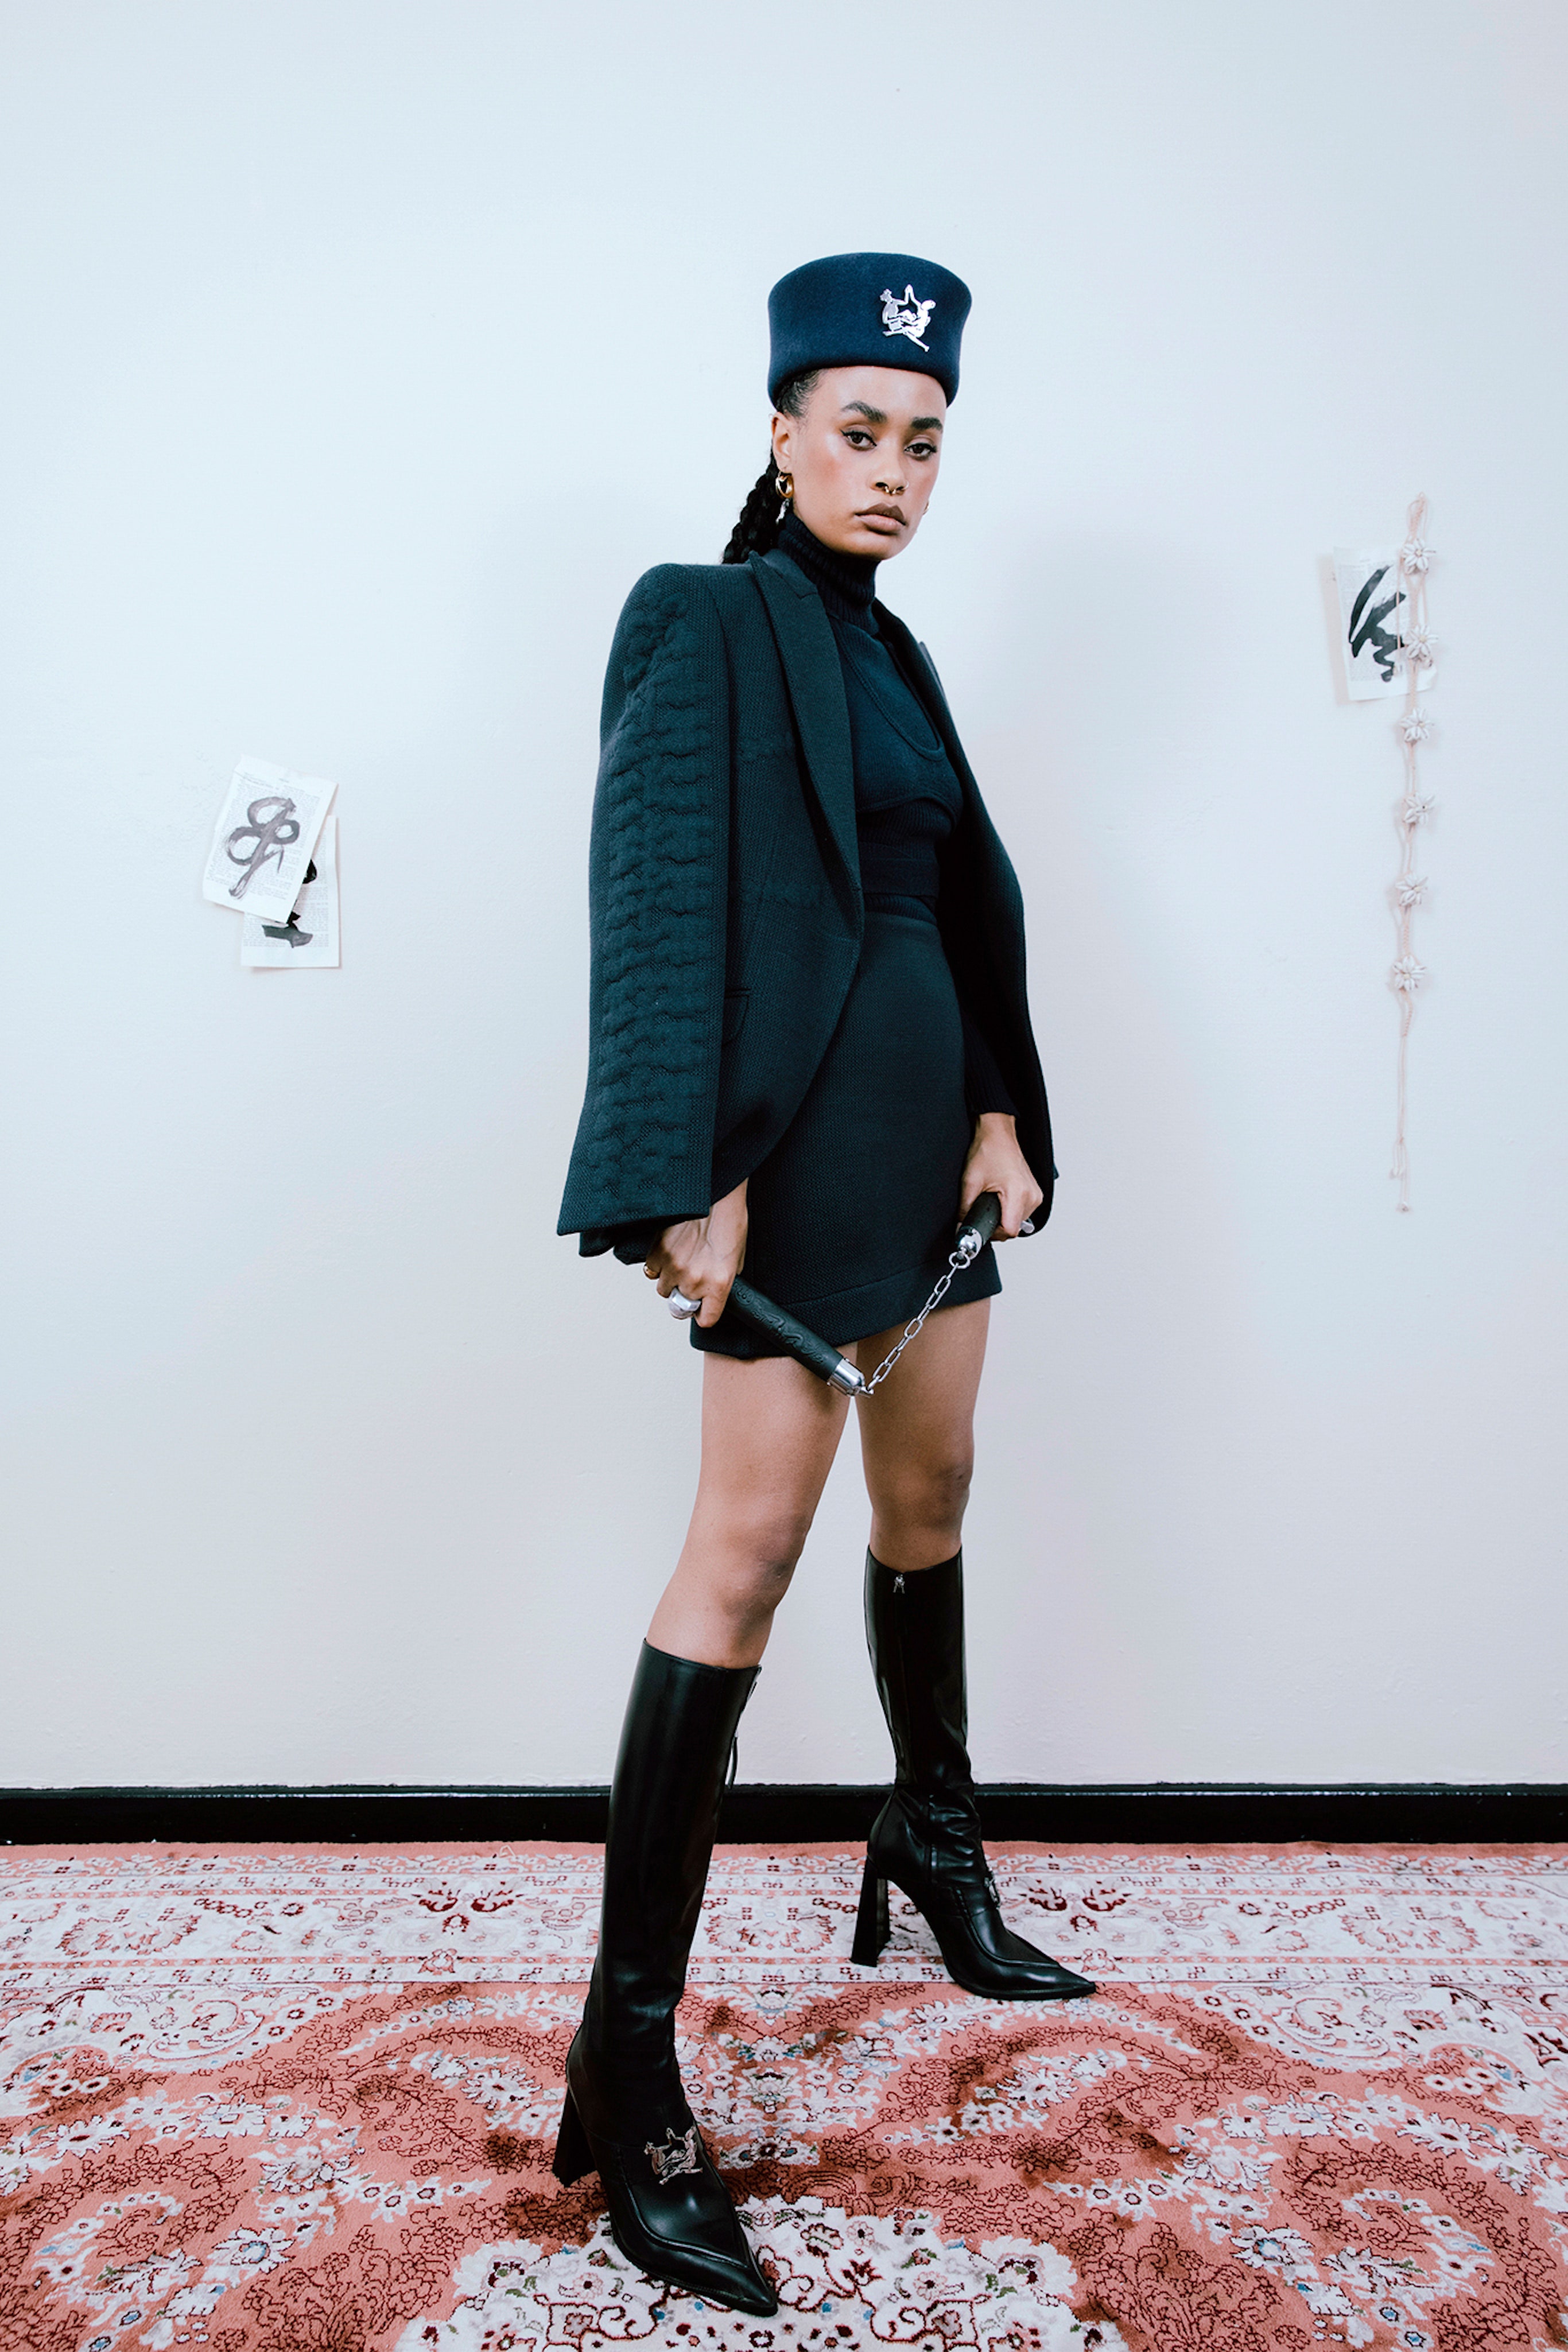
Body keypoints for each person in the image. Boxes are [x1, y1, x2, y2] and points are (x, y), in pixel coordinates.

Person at [553, 253, 1093, 2316]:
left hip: (931, 1155)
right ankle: (628, 2057)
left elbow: (950, 901)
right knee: (744, 1556)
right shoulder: (701, 618)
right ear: (781, 434)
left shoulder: (900, 655)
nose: (892, 471)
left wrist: (999, 1111)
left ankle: (930, 1842)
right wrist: (680, 1179)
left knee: (929, 1501)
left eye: (924, 443)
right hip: (779, 1174)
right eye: (858, 431)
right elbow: (652, 901)